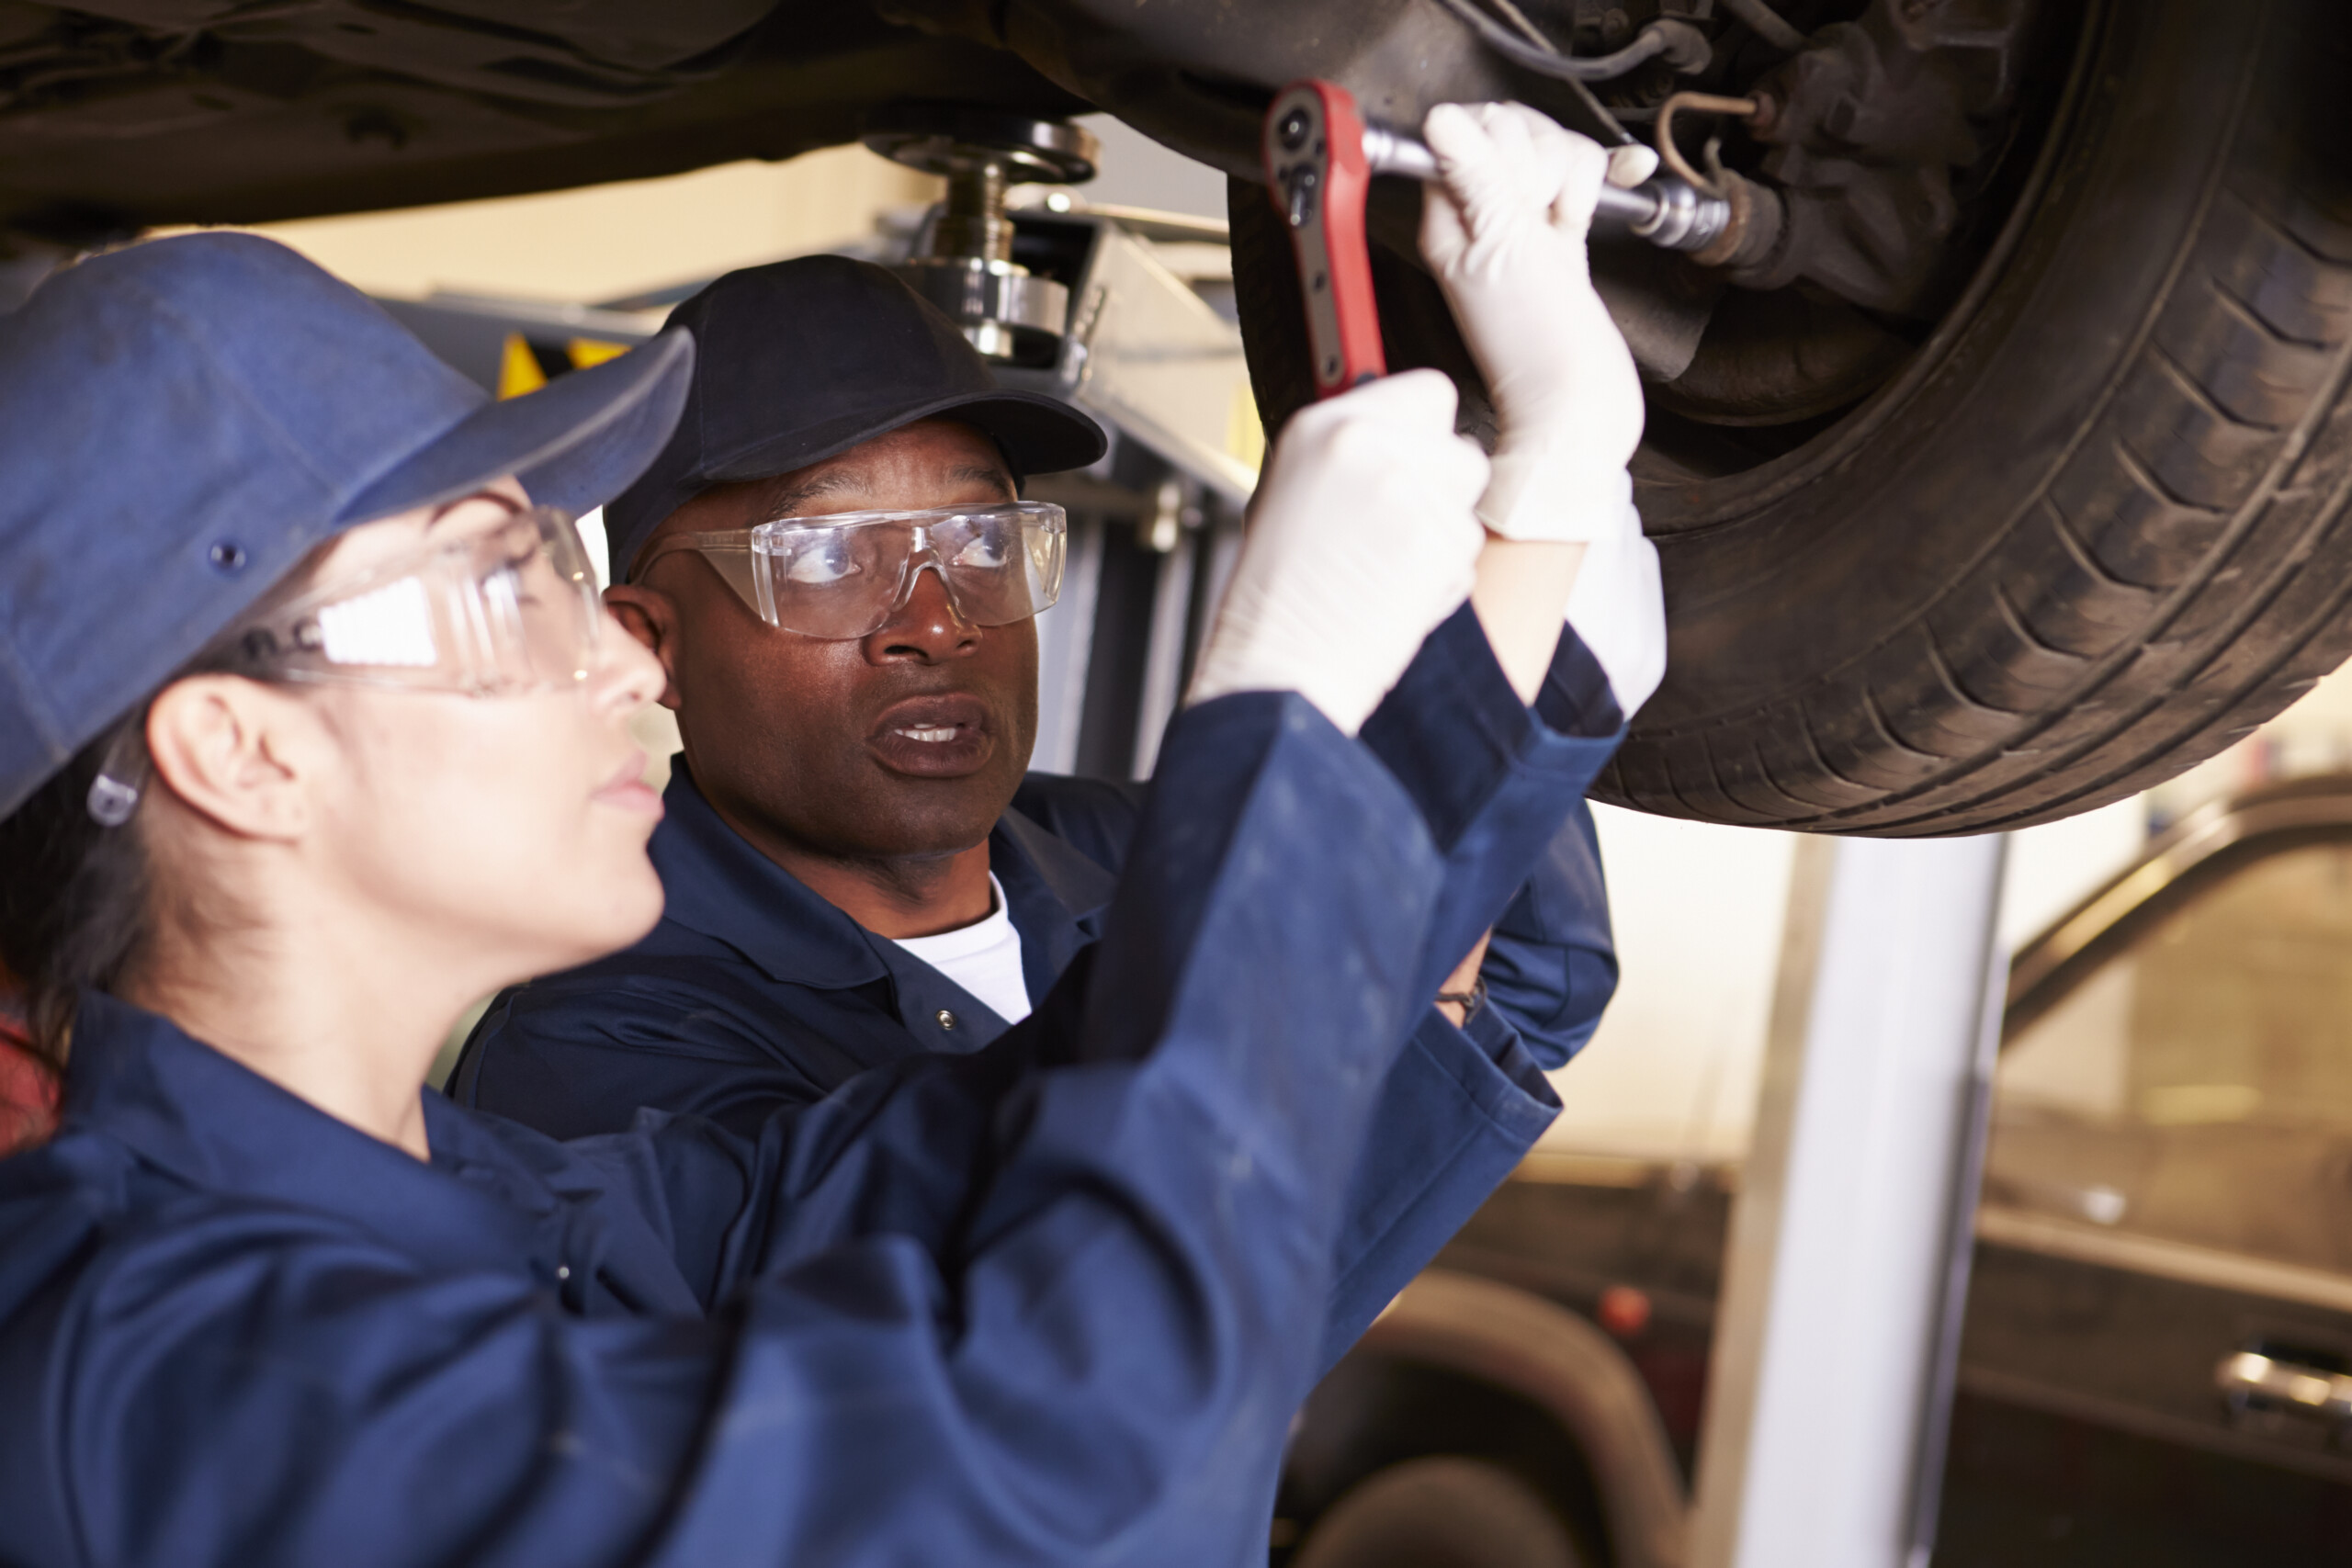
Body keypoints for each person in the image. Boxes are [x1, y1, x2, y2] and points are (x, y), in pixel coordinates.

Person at [0, 104, 1635, 1568]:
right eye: (501, 586)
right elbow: (1048, 1483)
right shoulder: (190, 1378)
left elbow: (999, 1154)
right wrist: (1270, 716)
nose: (625, 656)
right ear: (241, 752)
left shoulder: (500, 1208)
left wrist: (1538, 519)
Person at [449, 109, 1663, 1358]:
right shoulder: (593, 1051)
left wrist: (1532, 513)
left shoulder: (1118, 852)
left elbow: (1528, 966)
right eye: (824, 558)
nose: (934, 619)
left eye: (983, 542)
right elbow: (1016, 1313)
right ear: (650, 643)